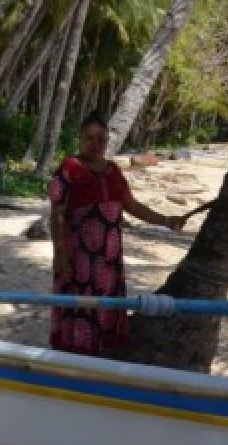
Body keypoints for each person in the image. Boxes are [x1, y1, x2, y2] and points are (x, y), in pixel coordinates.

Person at [48, 112, 190, 356]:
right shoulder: (69, 168)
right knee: (78, 303)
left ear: (107, 142)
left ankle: (101, 353)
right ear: (80, 140)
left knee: (106, 304)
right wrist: (59, 253)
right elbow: (56, 213)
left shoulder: (113, 171)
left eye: (101, 139)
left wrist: (167, 220)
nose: (95, 144)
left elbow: (132, 206)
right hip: (78, 256)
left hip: (109, 259)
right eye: (89, 138)